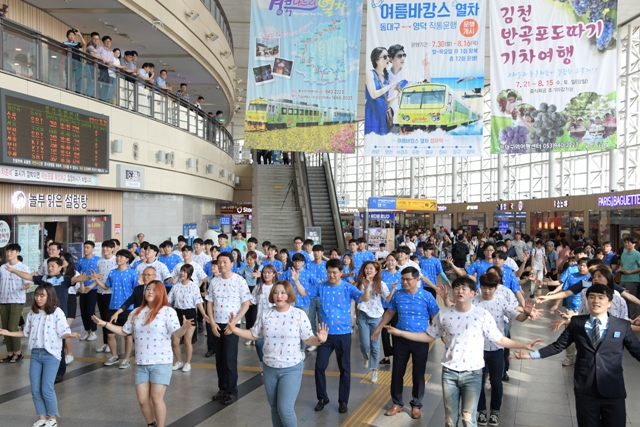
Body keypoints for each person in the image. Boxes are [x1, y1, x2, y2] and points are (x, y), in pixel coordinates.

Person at [385, 276, 542, 427]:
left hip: (473, 373)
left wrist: (523, 345)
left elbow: (499, 339)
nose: (460, 291)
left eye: (464, 289)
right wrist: (400, 333)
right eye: (457, 288)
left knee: (468, 419)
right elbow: (428, 335)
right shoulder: (444, 314)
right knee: (450, 419)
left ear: (472, 293)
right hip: (450, 373)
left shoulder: (482, 315)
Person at [514, 284, 640, 427]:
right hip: (586, 389)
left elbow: (637, 350)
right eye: (591, 297)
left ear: (609, 302)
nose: (596, 301)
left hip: (613, 389)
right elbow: (558, 345)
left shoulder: (622, 325)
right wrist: (531, 355)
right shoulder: (577, 323)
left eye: (601, 297)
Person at [227, 281, 328, 427]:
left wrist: (320, 339)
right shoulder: (266, 313)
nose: (279, 295)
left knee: (285, 409)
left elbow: (308, 339)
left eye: (282, 292)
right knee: (274, 408)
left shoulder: (298, 314)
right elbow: (254, 334)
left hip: (291, 368)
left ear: (289, 295)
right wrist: (234, 329)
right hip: (269, 367)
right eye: (275, 292)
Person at [92, 281, 192, 427]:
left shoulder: (167, 311)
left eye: (154, 290)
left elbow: (176, 333)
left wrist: (184, 327)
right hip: (141, 362)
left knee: (156, 399)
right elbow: (124, 331)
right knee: (143, 400)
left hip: (161, 362)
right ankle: (151, 424)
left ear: (161, 293)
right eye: (148, 289)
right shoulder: (136, 312)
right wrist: (105, 324)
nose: (150, 292)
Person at [0, 283, 81, 427]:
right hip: (36, 354)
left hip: (51, 355)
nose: (38, 298)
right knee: (35, 389)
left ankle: (53, 418)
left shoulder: (57, 312)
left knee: (46, 388)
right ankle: (42, 417)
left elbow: (63, 331)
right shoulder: (32, 313)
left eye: (42, 295)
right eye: (36, 295)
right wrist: (8, 333)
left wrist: (70, 334)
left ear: (49, 296)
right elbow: (25, 333)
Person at [371, 266, 441, 419]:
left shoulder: (427, 296)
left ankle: (416, 405)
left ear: (417, 280)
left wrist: (438, 334)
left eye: (408, 279)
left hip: (420, 339)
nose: (405, 282)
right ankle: (397, 403)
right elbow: (390, 312)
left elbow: (436, 316)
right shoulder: (398, 294)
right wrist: (379, 328)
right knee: (397, 372)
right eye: (403, 279)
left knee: (418, 373)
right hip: (400, 339)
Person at [307, 258, 370, 413]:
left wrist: (367, 287)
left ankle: (343, 401)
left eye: (335, 272)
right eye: (329, 272)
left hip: (343, 334)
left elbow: (364, 298)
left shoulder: (348, 287)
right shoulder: (321, 287)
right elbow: (304, 293)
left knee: (345, 368)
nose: (331, 275)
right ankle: (322, 397)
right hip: (325, 335)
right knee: (319, 367)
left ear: (341, 273)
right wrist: (296, 281)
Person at [473, 273, 534, 426]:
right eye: (484, 288)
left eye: (490, 288)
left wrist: (526, 313)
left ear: (496, 288)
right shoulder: (473, 302)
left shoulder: (501, 301)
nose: (486, 291)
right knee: (478, 382)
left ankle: (494, 412)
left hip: (496, 348)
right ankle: (481, 411)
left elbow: (518, 317)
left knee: (496, 382)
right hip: (476, 349)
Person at [205, 252, 252, 405]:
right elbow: (209, 303)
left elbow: (246, 303)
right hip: (216, 324)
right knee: (219, 359)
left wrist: (234, 323)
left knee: (230, 359)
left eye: (225, 262)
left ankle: (232, 391)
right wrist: (211, 322)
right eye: (219, 262)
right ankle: (223, 389)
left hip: (232, 324)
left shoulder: (239, 280)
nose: (221, 265)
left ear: (232, 263)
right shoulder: (214, 281)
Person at [89, 249, 138, 368]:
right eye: (117, 257)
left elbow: (136, 291)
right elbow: (106, 287)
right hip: (112, 306)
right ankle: (114, 356)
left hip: (127, 308)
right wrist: (96, 279)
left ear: (127, 259)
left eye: (121, 257)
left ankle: (126, 359)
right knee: (110, 334)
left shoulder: (133, 273)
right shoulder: (112, 272)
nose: (118, 259)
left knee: (127, 335)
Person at [355, 261, 395, 383]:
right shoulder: (360, 283)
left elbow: (387, 299)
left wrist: (393, 289)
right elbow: (360, 299)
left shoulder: (381, 284)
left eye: (371, 268)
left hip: (376, 317)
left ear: (376, 271)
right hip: (363, 315)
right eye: (366, 268)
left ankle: (374, 370)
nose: (368, 270)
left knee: (375, 346)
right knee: (364, 344)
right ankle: (365, 356)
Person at [168, 264, 209, 372]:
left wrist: (204, 314)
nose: (182, 273)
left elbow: (199, 302)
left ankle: (188, 362)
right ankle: (179, 361)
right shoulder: (175, 286)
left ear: (189, 274)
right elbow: (168, 301)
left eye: (185, 271)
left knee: (187, 340)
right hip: (177, 314)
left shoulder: (193, 286)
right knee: (175, 341)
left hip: (190, 314)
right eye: (181, 271)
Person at [0, 243, 32, 363]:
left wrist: (26, 286)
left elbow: (27, 282)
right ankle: (9, 353)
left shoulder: (23, 267)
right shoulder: (2, 268)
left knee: (13, 327)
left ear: (17, 253)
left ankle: (18, 353)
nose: (9, 253)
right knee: (5, 328)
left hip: (17, 300)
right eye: (7, 251)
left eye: (12, 251)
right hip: (3, 300)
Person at [365, 47, 396, 136]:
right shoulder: (370, 74)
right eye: (385, 57)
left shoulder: (386, 79)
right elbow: (373, 95)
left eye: (388, 56)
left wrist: (397, 96)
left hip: (383, 115)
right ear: (377, 60)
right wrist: (389, 86)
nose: (388, 59)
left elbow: (386, 101)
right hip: (372, 113)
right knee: (371, 138)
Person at [379, 253, 401, 365]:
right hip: (383, 307)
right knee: (384, 333)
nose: (390, 262)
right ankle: (387, 356)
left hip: (396, 308)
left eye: (393, 260)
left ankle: (397, 354)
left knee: (396, 332)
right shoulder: (382, 274)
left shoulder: (401, 275)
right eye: (388, 260)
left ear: (396, 262)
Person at [77, 241, 100, 342]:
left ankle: (94, 331)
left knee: (90, 311)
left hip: (93, 289)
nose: (85, 249)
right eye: (84, 247)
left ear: (92, 249)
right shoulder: (81, 261)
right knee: (83, 310)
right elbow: (78, 274)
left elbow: (100, 274)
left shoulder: (98, 260)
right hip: (83, 289)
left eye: (88, 247)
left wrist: (91, 286)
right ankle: (87, 331)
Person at [619, 236, 640, 318]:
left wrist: (630, 272)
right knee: (621, 298)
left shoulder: (637, 254)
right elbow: (621, 264)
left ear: (634, 244)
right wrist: (620, 269)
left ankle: (633, 318)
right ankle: (624, 317)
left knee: (631, 300)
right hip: (622, 278)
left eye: (628, 242)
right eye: (625, 242)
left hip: (632, 279)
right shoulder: (623, 254)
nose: (626, 244)